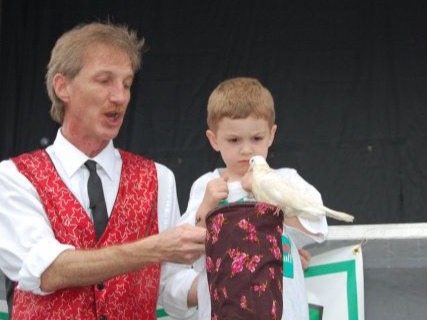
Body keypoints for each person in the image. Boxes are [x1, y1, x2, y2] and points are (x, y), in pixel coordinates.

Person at [0, 22, 205, 320]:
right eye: (105, 80)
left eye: (126, 83)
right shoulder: (14, 177)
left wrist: (231, 276)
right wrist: (156, 248)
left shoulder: (159, 178)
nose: (120, 96)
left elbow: (170, 284)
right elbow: (49, 271)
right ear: (63, 86)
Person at [177, 77, 328, 319]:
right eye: (234, 140)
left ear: (271, 135)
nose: (246, 149)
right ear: (214, 140)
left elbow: (318, 227)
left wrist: (271, 197)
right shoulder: (206, 186)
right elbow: (183, 251)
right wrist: (205, 209)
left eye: (256, 139)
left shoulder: (286, 179)